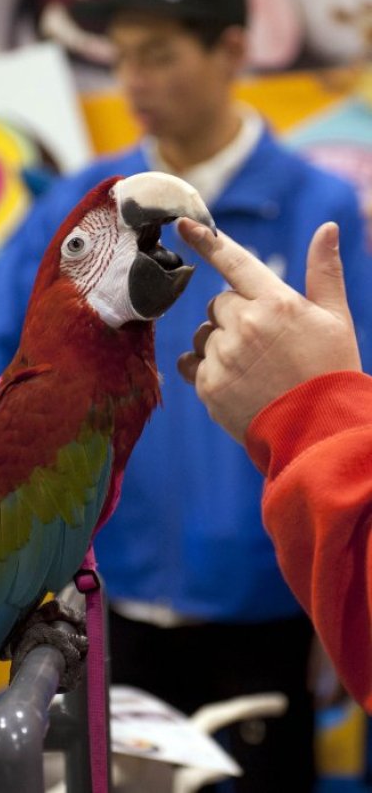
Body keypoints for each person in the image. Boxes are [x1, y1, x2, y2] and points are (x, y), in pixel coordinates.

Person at [0, 0, 372, 788]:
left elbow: (351, 396)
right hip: (117, 606)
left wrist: (342, 577)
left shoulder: (318, 207)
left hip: (264, 603)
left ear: (233, 51)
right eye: (123, 57)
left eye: (158, 54)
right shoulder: (83, 202)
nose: (136, 81)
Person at [176, 216, 372, 713]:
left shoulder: (316, 195)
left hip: (271, 599)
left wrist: (314, 414)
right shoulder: (87, 194)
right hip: (135, 578)